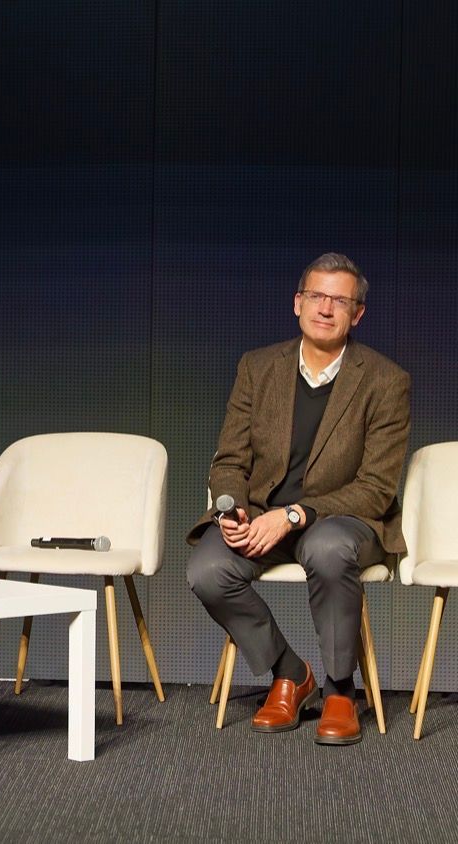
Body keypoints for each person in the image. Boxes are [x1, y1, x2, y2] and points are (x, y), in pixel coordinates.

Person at [186, 252, 410, 745]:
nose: (325, 308)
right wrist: (232, 509)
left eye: (340, 300)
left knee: (325, 548)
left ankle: (338, 691)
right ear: (297, 303)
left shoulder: (386, 381)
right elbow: (229, 460)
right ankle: (289, 673)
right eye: (316, 296)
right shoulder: (258, 367)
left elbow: (376, 488)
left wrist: (294, 515)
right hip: (262, 517)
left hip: (346, 521)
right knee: (206, 571)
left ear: (357, 314)